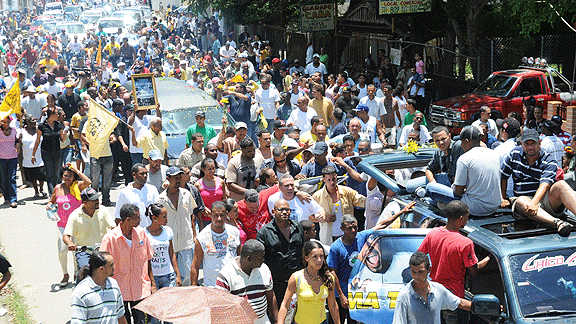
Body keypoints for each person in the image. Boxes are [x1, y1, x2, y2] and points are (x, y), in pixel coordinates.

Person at [418, 201, 489, 324]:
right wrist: (489, 258)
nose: (467, 220)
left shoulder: (433, 233)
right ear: (461, 218)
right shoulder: (465, 243)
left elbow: (418, 257)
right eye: (467, 218)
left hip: (434, 295)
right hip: (455, 300)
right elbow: (473, 271)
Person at [501, 128, 576, 237]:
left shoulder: (549, 159)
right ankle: (558, 223)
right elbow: (503, 176)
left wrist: (534, 203)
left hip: (544, 199)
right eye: (527, 144)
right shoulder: (514, 154)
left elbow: (545, 184)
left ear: (539, 143)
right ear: (522, 144)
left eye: (533, 143)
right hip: (524, 200)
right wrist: (503, 198)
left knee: (562, 185)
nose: (530, 147)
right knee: (521, 200)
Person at [427, 126, 502, 216]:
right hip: (494, 206)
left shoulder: (464, 158)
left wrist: (453, 187)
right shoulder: (494, 154)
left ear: (466, 142)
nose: (461, 145)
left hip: (474, 208)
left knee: (430, 188)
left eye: (461, 142)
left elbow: (458, 191)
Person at [100, 204, 155, 324]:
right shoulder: (110, 239)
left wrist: (152, 284)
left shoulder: (141, 233)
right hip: (119, 291)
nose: (141, 220)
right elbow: (102, 267)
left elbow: (148, 259)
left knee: (143, 321)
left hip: (141, 290)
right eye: (138, 217)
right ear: (128, 220)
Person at [392, 251, 473, 324]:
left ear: (429, 269)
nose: (416, 276)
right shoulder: (404, 296)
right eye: (413, 272)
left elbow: (459, 303)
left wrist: (480, 306)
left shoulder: (438, 290)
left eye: (421, 272)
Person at [48, 165, 92, 287]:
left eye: (70, 175)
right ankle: (65, 274)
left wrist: (76, 170)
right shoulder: (57, 188)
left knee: (76, 251)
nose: (67, 178)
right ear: (62, 176)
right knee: (62, 250)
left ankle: (77, 273)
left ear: (74, 177)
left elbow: (88, 182)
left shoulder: (77, 186)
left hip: (77, 225)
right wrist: (49, 205)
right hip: (61, 225)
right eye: (65, 175)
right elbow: (52, 201)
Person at [277, 240, 340, 324]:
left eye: (321, 256)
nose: (319, 260)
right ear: (306, 258)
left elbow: (333, 305)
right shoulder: (296, 277)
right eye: (315, 257)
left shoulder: (328, 278)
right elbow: (285, 304)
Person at [216, 239, 278, 324]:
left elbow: (271, 296)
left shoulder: (264, 269)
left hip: (262, 320)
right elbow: (220, 307)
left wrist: (276, 321)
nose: (263, 260)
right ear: (249, 258)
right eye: (260, 258)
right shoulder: (226, 275)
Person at [257, 199, 305, 303]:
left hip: (298, 280)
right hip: (277, 283)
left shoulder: (298, 227)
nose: (284, 212)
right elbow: (260, 259)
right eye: (281, 209)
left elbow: (303, 252)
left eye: (287, 209)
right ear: (273, 212)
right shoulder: (265, 232)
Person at [157, 166, 197, 286]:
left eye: (180, 177)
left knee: (187, 276)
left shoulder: (187, 194)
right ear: (168, 179)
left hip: (186, 241)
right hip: (170, 244)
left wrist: (194, 235)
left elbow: (191, 216)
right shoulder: (160, 199)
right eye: (176, 178)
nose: (179, 180)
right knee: (172, 278)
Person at [190, 201, 242, 287]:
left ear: (226, 214)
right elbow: (195, 265)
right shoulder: (202, 237)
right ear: (210, 215)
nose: (219, 218)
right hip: (212, 287)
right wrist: (193, 286)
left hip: (233, 285)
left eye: (222, 215)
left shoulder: (235, 232)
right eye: (215, 215)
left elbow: (239, 257)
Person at [63, 187, 115, 271]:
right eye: (93, 200)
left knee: (107, 270)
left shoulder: (103, 210)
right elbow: (66, 235)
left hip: (101, 249)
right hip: (84, 251)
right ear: (85, 203)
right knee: (85, 270)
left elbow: (113, 227)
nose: (97, 201)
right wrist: (70, 243)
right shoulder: (75, 215)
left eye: (97, 198)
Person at [70, 252, 128, 324]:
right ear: (101, 269)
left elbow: (120, 316)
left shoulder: (114, 285)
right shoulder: (81, 292)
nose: (114, 267)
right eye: (111, 265)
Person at [313, 166, 366, 245]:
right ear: (323, 179)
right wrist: (324, 218)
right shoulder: (317, 196)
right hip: (329, 239)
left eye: (333, 179)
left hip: (347, 236)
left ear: (336, 177)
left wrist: (378, 200)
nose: (332, 182)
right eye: (328, 180)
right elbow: (309, 216)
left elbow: (362, 201)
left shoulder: (346, 191)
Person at [406, 126, 464, 194]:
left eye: (443, 139)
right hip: (445, 181)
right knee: (409, 186)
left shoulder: (457, 146)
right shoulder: (438, 152)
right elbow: (429, 169)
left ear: (449, 136)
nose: (441, 143)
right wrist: (432, 182)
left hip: (456, 184)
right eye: (437, 140)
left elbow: (457, 176)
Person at [145, 203, 182, 299]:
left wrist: (177, 274)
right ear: (154, 218)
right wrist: (152, 283)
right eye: (164, 217)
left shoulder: (168, 231)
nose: (167, 219)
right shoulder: (145, 234)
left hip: (168, 276)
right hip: (154, 277)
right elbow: (146, 259)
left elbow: (171, 253)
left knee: (169, 305)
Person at [114, 163, 160, 228]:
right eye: (142, 174)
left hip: (151, 233)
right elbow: (118, 217)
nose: (145, 176)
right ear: (134, 175)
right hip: (134, 234)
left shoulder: (152, 189)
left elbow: (159, 211)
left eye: (146, 173)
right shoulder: (124, 193)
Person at [33, 107, 65, 194]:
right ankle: (52, 195)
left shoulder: (58, 124)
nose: (58, 115)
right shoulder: (42, 126)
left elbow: (62, 139)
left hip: (57, 151)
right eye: (56, 114)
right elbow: (37, 140)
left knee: (56, 174)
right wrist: (33, 154)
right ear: (51, 115)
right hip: (46, 152)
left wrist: (64, 134)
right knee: (50, 174)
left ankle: (56, 192)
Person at [21, 115, 47, 198]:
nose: (35, 121)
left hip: (39, 157)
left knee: (41, 175)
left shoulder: (39, 130)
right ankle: (36, 191)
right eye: (33, 120)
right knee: (32, 176)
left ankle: (41, 189)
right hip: (28, 158)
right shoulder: (22, 132)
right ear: (28, 122)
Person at [0, 116, 19, 208]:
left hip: (13, 157)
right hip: (1, 157)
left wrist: (19, 141)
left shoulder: (14, 130)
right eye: (4, 122)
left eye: (8, 122)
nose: (6, 124)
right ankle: (6, 198)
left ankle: (13, 199)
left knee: (12, 178)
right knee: (4, 178)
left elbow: (17, 140)